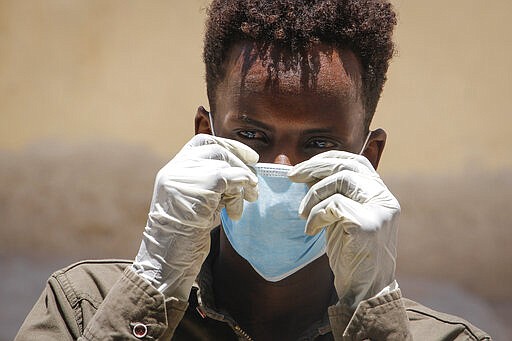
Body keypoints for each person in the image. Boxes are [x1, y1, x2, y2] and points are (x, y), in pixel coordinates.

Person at [16, 1, 491, 340]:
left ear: (369, 158)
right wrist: (154, 285)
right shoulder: (80, 309)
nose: (281, 166)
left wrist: (371, 314)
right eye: (253, 137)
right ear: (204, 135)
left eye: (319, 144)